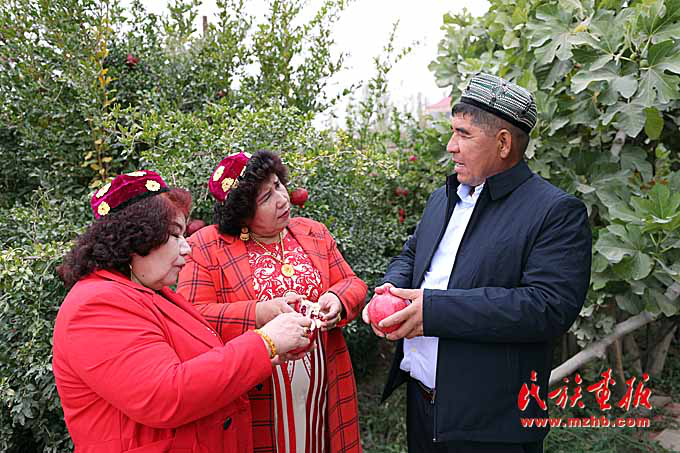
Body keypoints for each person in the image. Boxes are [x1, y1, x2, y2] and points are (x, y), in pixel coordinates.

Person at [362, 73, 592, 453]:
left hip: (492, 425)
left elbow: (547, 307)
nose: (451, 146)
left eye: (463, 134)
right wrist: (391, 288)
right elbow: (412, 254)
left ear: (503, 143)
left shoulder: (554, 212)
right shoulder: (444, 197)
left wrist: (433, 311)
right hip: (422, 406)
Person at [53, 170, 314, 453]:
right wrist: (265, 343)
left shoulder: (151, 292)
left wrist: (267, 354)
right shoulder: (96, 307)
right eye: (175, 235)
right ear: (137, 239)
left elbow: (196, 362)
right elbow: (165, 396)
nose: (187, 248)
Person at [177, 150, 367, 453]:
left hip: (324, 388)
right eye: (265, 198)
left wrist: (337, 299)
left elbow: (352, 282)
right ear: (242, 213)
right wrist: (258, 312)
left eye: (278, 185)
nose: (281, 199)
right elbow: (192, 317)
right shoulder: (206, 246)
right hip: (257, 394)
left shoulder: (313, 232)